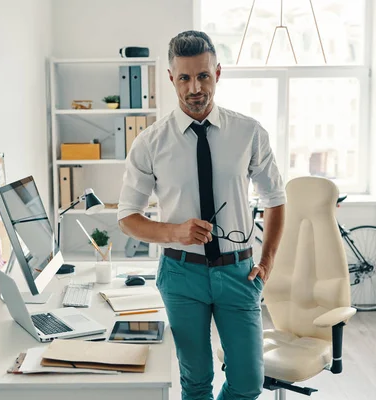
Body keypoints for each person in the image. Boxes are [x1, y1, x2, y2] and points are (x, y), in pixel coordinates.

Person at [117, 30, 286, 400]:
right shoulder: (150, 142)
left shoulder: (249, 133)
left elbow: (276, 198)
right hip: (181, 275)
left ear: (218, 73)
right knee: (195, 383)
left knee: (247, 383)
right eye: (185, 77)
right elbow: (128, 217)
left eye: (203, 75)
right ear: (171, 78)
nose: (195, 87)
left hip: (238, 273)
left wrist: (268, 262)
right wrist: (175, 232)